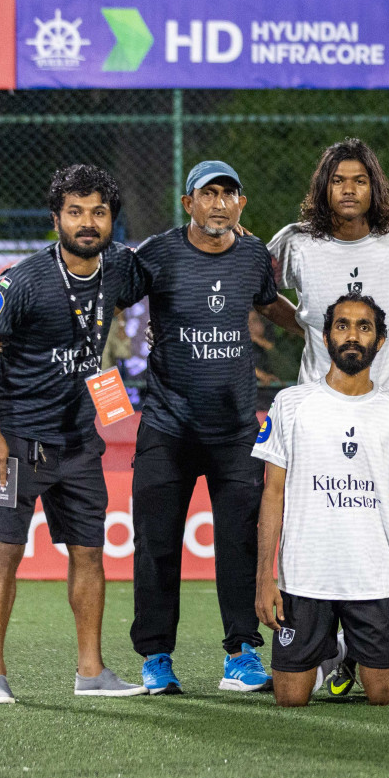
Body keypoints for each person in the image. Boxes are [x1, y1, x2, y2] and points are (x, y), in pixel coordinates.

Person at [0, 164, 146, 703]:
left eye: (98, 212)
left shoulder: (116, 267)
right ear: (56, 218)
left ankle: (90, 671)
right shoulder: (23, 281)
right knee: (4, 553)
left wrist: (221, 231)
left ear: (111, 219)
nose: (87, 222)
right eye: (75, 212)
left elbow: (161, 268)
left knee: (90, 554)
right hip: (16, 442)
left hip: (79, 444)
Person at [122, 160, 302, 696]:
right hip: (166, 427)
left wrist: (322, 335)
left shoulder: (253, 254)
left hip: (234, 432)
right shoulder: (157, 253)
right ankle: (156, 657)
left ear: (241, 205)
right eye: (209, 194)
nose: (219, 203)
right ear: (189, 204)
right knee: (156, 544)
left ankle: (241, 654)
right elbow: (110, 304)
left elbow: (271, 306)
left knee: (240, 544)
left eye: (229, 194)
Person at [269, 139, 389, 694]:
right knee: (320, 507)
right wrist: (310, 328)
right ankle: (329, 643)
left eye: (360, 180)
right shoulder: (297, 242)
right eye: (339, 181)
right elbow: (264, 294)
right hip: (320, 394)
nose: (350, 190)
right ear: (324, 188)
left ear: (374, 185)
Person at [253, 292, 389, 707]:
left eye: (365, 327)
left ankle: (344, 651)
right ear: (326, 338)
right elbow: (272, 494)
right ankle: (335, 650)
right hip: (304, 578)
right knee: (289, 699)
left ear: (380, 342)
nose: (353, 336)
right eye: (342, 325)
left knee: (386, 697)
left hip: (371, 576)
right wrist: (264, 577)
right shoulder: (291, 404)